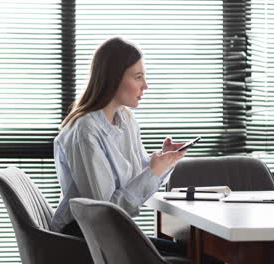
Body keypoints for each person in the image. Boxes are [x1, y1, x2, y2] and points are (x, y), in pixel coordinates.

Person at [51, 37, 187, 256]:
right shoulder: (85, 130)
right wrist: (154, 171)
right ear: (113, 79)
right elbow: (104, 212)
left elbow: (138, 179)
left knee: (192, 253)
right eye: (138, 77)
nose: (146, 85)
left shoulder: (125, 118)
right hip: (82, 236)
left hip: (110, 231)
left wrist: (164, 162)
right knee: (191, 255)